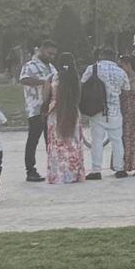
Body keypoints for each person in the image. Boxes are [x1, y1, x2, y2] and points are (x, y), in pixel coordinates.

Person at [83, 46, 128, 179]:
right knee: (117, 140)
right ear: (114, 57)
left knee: (97, 141)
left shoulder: (92, 69)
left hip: (97, 109)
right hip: (115, 110)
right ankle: (120, 169)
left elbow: (83, 84)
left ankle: (96, 170)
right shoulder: (121, 72)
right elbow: (126, 89)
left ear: (101, 56)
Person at [43, 56, 89, 186]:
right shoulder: (75, 79)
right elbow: (79, 97)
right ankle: (74, 173)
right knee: (73, 142)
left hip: (55, 112)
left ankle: (57, 174)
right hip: (72, 111)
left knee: (57, 143)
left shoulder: (52, 78)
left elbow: (45, 96)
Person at [19, 44, 56, 183]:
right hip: (35, 107)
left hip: (50, 108)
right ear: (41, 51)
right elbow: (24, 79)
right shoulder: (30, 66)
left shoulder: (52, 67)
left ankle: (53, 166)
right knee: (33, 139)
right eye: (49, 53)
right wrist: (44, 82)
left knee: (50, 139)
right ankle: (30, 170)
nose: (51, 56)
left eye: (53, 54)